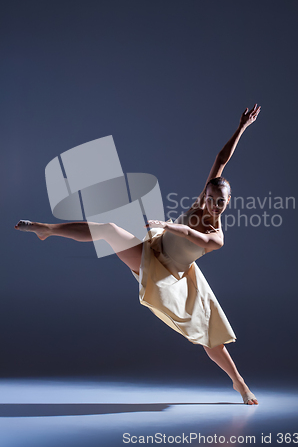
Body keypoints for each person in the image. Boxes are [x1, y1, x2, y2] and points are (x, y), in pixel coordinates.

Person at [15, 104, 261, 405]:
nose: (213, 205)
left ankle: (239, 382)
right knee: (108, 228)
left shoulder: (217, 237)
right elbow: (221, 159)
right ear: (206, 194)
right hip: (152, 252)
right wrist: (241, 128)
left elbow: (190, 235)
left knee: (211, 337)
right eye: (210, 198)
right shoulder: (201, 203)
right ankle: (47, 229)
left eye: (219, 201)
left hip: (170, 276)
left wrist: (167, 224)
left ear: (229, 200)